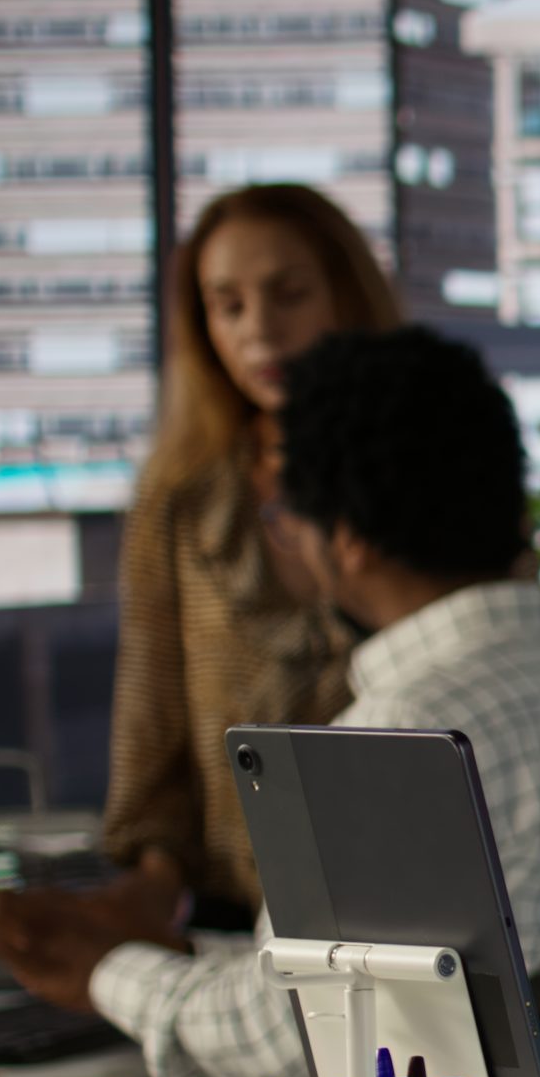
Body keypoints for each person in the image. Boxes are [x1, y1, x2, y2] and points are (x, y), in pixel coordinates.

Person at [0, 325, 540, 1077]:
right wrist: (182, 958)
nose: (281, 539)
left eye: (281, 517)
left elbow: (287, 1033)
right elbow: (395, 983)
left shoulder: (398, 740)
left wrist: (102, 967)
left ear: (350, 540)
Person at [106, 184, 400, 932]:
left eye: (290, 294)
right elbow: (151, 730)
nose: (259, 331)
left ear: (346, 295)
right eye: (227, 305)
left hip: (417, 897)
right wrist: (148, 889)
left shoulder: (432, 475)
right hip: (240, 919)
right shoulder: (180, 499)